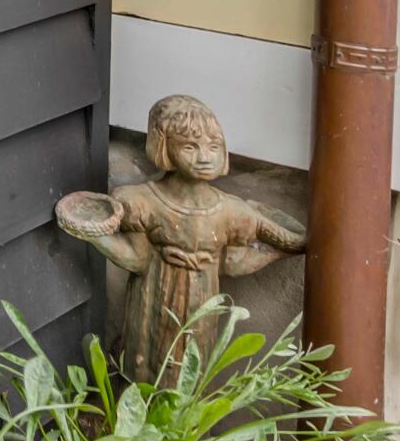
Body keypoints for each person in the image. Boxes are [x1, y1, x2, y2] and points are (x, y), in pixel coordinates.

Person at [57, 93, 307, 379]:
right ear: (164, 148)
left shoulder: (232, 211)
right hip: (152, 298)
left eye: (213, 147)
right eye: (190, 146)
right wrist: (93, 234)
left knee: (192, 367)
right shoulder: (140, 201)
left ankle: (187, 422)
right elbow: (138, 258)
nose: (204, 157)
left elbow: (234, 261)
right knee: (143, 365)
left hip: (201, 302)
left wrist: (279, 251)